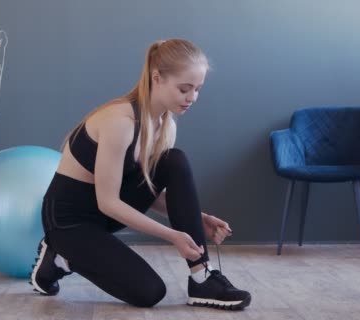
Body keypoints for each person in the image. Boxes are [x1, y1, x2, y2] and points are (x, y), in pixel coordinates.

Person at [29, 39, 251, 310]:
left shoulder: (165, 126)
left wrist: (198, 218)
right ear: (156, 78)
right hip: (69, 222)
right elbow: (108, 201)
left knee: (174, 161)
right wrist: (172, 235)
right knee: (150, 292)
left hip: (106, 216)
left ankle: (202, 277)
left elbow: (146, 190)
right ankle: (61, 257)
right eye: (185, 89)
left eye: (197, 89)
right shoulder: (120, 122)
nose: (192, 97)